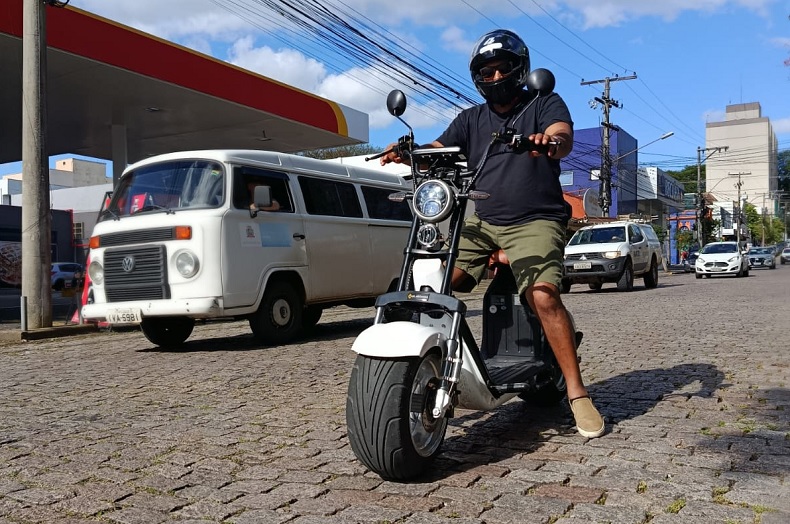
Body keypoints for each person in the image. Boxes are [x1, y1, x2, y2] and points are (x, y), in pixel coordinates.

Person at [380, 29, 605, 438]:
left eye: (503, 68)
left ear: (520, 69)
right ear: (478, 77)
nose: (496, 76)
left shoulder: (543, 103)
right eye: (487, 71)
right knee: (433, 283)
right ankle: (439, 367)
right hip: (481, 220)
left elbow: (562, 138)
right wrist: (409, 152)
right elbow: (438, 151)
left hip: (535, 218)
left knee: (541, 295)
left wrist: (548, 142)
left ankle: (576, 392)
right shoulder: (471, 119)